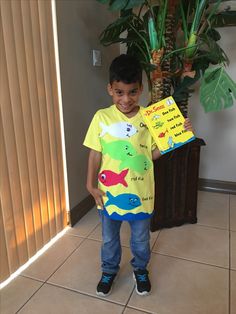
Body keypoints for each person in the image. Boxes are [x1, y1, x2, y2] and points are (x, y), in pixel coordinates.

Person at [83, 54, 193, 297]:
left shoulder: (150, 118)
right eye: (119, 92)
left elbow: (150, 155)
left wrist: (176, 136)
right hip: (108, 194)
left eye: (132, 92)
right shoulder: (101, 118)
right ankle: (109, 269)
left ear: (141, 90)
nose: (126, 99)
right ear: (110, 89)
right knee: (109, 239)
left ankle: (140, 269)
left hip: (141, 193)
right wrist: (90, 185)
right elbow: (94, 154)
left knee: (141, 239)